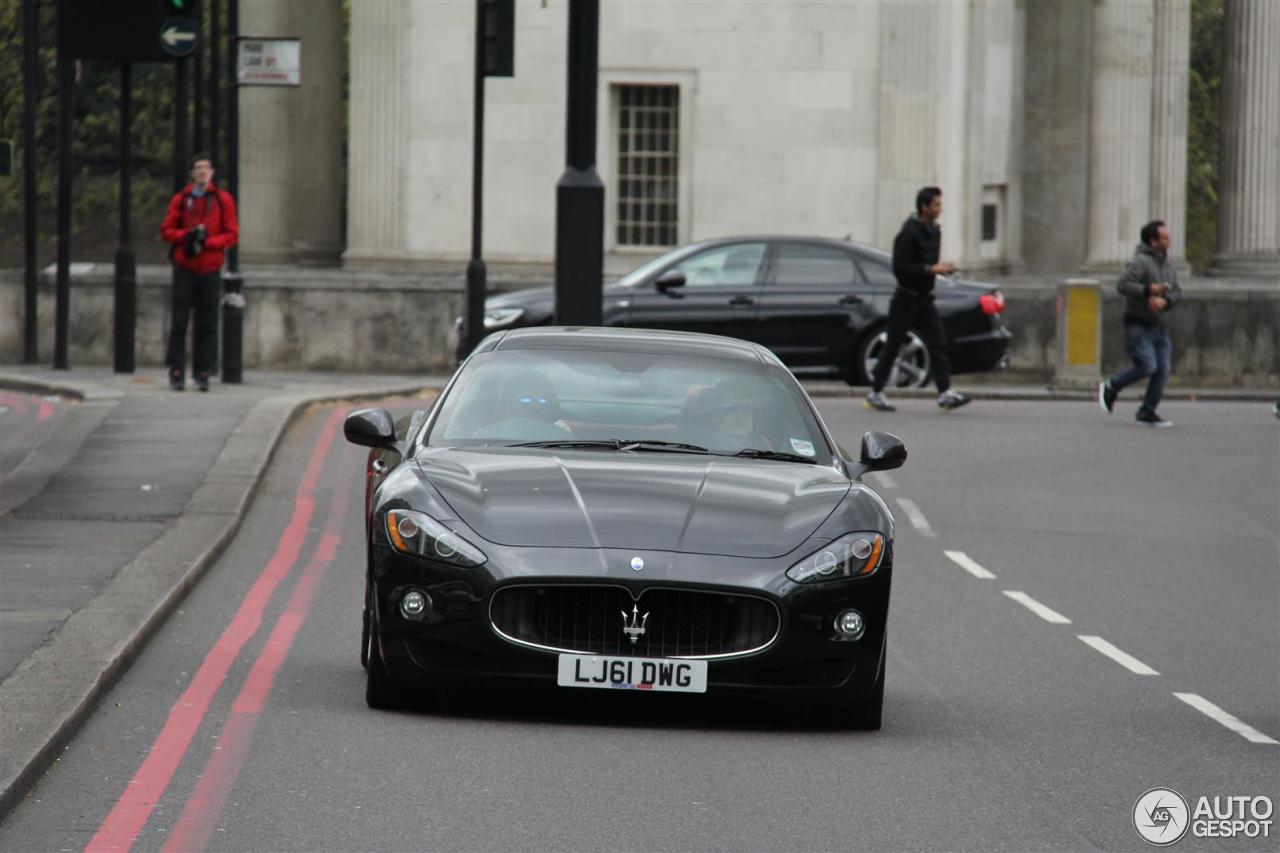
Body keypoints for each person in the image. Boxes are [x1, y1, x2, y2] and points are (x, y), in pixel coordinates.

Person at [865, 186, 970, 412]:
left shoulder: (935, 230)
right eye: (936, 205)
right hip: (906, 298)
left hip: (925, 299)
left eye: (939, 204)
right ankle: (875, 391)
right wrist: (931, 269)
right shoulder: (909, 232)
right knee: (893, 344)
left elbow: (930, 266)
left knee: (938, 344)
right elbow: (901, 268)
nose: (939, 209)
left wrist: (941, 270)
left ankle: (944, 393)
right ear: (924, 207)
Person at [160, 153, 238, 392]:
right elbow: (166, 230)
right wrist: (187, 236)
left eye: (206, 168)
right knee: (179, 322)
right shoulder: (182, 199)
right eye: (198, 168)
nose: (202, 172)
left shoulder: (222, 200)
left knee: (207, 323)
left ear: (212, 172)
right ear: (193, 173)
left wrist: (208, 242)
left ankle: (203, 371)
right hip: (185, 267)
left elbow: (232, 234)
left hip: (210, 268)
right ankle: (176, 371)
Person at [1098, 220, 1181, 427]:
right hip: (1138, 324)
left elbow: (1177, 291)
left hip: (1158, 325)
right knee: (1147, 365)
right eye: (1164, 238)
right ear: (1153, 241)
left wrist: (1166, 301)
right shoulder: (1140, 262)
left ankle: (1147, 411)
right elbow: (1123, 285)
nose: (1168, 241)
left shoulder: (1167, 265)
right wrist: (1148, 291)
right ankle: (1112, 386)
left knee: (1162, 369)